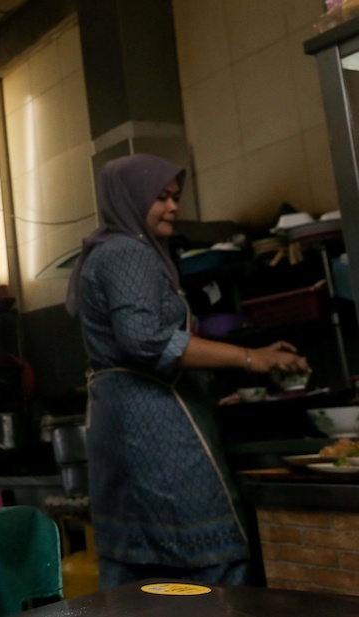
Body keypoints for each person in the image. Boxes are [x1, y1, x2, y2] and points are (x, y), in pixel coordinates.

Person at [65, 153, 311, 589]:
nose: (173, 207)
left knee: (139, 577)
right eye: (160, 197)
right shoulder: (127, 252)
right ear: (130, 199)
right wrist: (254, 359)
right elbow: (146, 340)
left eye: (175, 197)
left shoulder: (108, 250)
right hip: (154, 429)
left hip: (124, 425)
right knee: (209, 561)